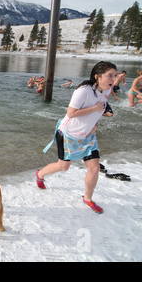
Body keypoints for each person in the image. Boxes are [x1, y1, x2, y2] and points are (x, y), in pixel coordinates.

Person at [36, 61, 119, 214]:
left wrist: (95, 124)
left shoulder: (107, 90)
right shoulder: (83, 91)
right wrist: (94, 108)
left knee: (94, 167)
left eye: (115, 75)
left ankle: (88, 198)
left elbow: (99, 109)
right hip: (68, 134)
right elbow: (71, 113)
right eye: (110, 76)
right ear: (97, 76)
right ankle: (40, 174)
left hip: (88, 136)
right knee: (63, 166)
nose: (113, 79)